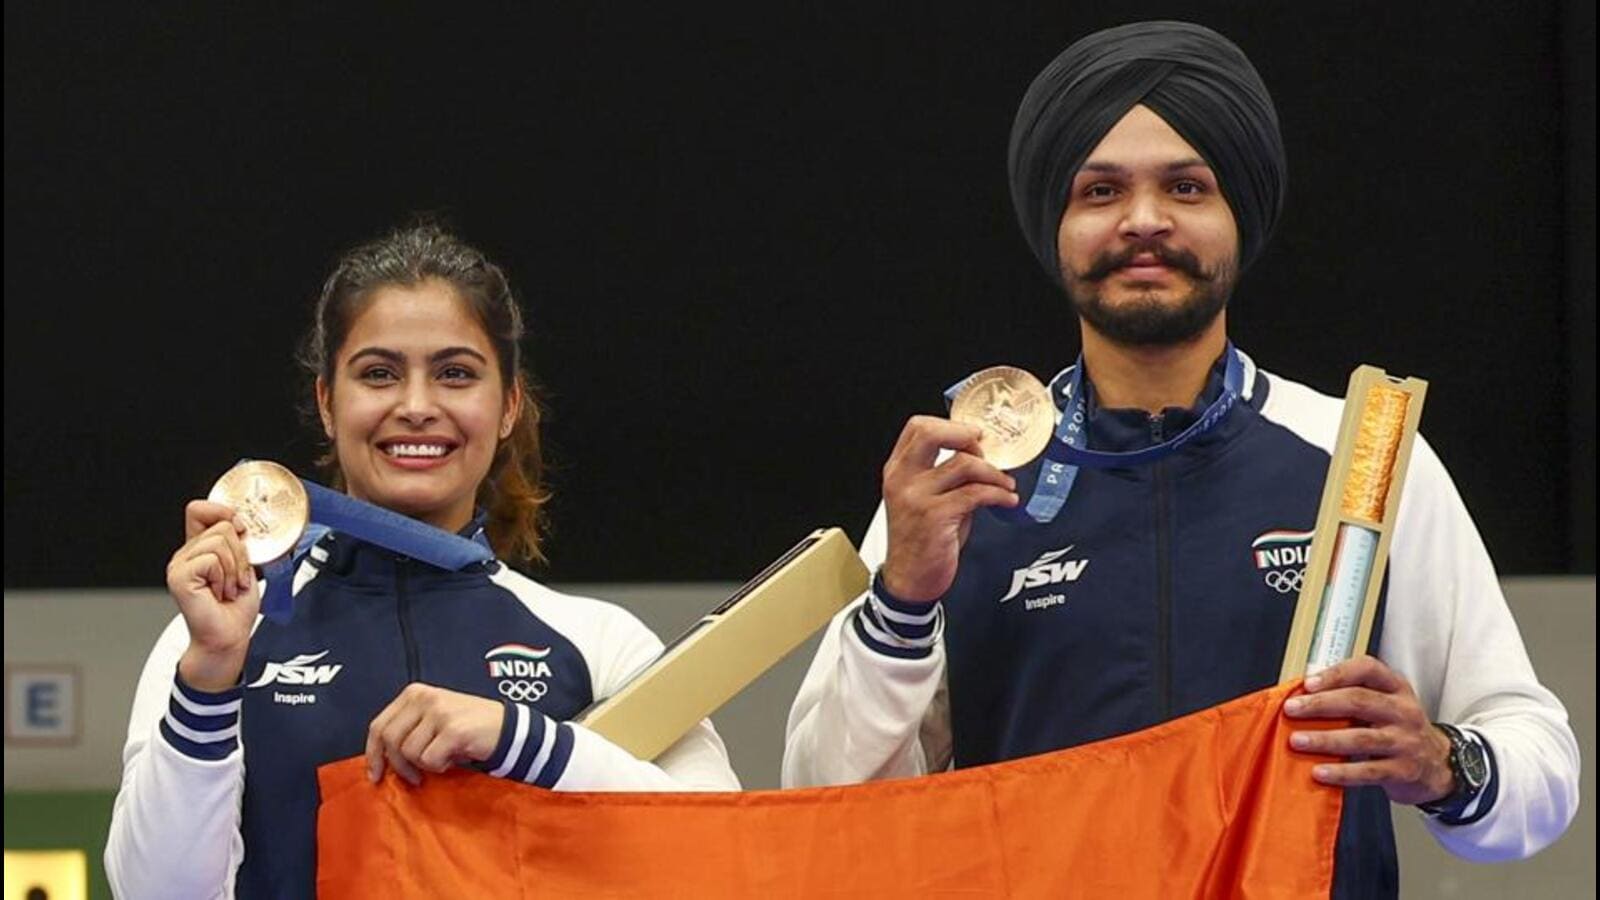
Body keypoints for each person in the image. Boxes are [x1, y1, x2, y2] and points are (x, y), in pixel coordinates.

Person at [781, 20, 1579, 896]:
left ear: (1240, 217)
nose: (1145, 221)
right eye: (1100, 191)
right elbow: (826, 802)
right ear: (1056, 227)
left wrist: (1442, 763)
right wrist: (902, 600)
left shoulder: (1361, 462)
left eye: (1187, 187)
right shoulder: (961, 485)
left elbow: (1537, 765)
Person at [105, 223, 740, 899]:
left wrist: (524, 741)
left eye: (455, 374)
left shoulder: (598, 644)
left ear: (507, 407)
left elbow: (718, 859)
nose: (415, 406)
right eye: (378, 373)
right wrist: (208, 675)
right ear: (327, 402)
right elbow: (156, 892)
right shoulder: (217, 639)